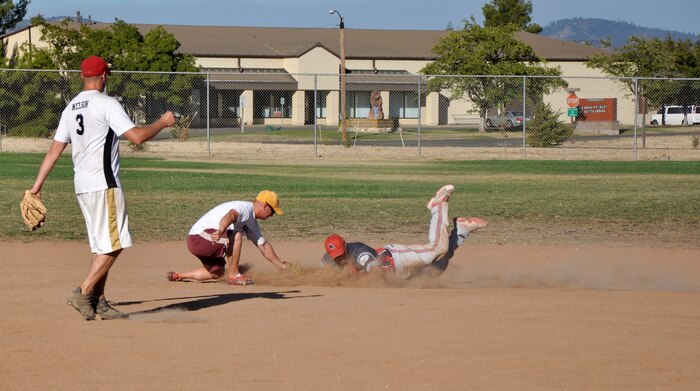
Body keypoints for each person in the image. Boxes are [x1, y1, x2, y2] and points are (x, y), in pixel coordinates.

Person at [29, 55, 177, 320]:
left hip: (83, 185)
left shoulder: (71, 106)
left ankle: (99, 301)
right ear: (105, 75)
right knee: (116, 243)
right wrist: (163, 122)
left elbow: (54, 151)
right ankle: (83, 291)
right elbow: (137, 137)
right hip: (104, 183)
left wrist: (36, 186)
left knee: (101, 245)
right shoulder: (107, 103)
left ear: (82, 76)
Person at [321, 185, 488, 277]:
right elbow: (323, 268)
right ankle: (461, 231)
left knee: (437, 249)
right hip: (402, 276)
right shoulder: (330, 259)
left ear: (345, 246)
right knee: (438, 267)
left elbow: (375, 272)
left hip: (398, 257)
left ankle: (438, 206)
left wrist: (355, 273)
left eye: (342, 255)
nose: (340, 259)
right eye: (337, 258)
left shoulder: (360, 252)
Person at [167, 190, 292, 285]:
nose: (272, 216)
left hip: (206, 241)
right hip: (200, 237)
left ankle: (179, 276)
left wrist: (281, 266)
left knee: (217, 273)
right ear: (265, 206)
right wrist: (222, 228)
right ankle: (234, 275)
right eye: (273, 211)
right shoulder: (244, 208)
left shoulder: (252, 223)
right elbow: (231, 215)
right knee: (236, 235)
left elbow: (263, 246)